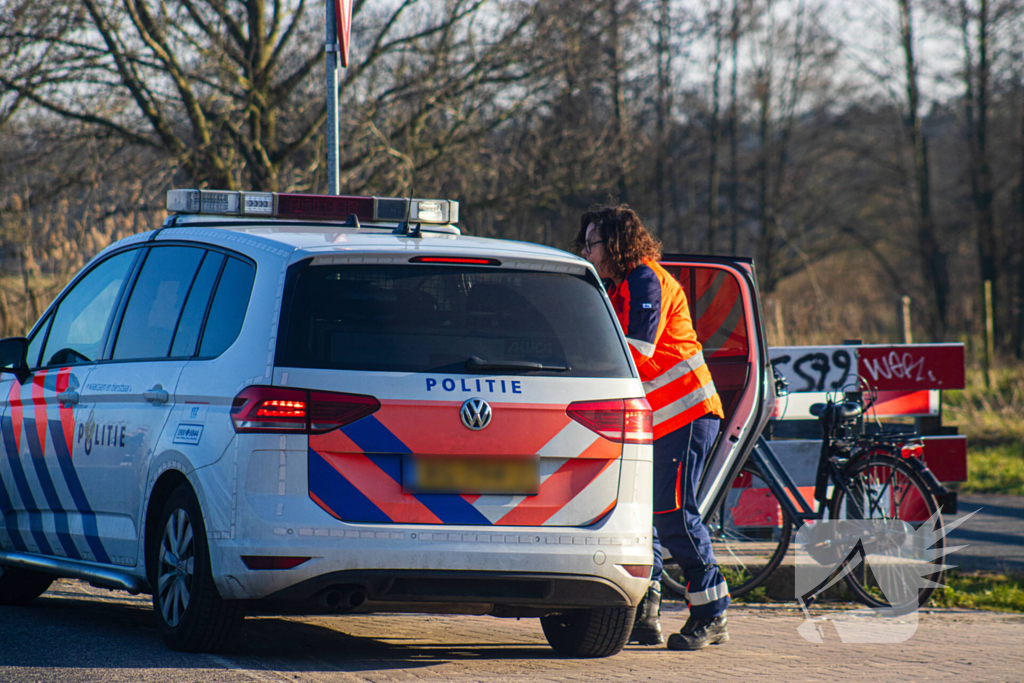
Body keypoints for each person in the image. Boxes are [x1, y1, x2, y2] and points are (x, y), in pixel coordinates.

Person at [575, 205, 730, 651]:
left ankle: (712, 612)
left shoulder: (644, 279)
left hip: (686, 413)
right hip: (657, 419)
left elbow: (638, 348)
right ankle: (646, 614)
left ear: (616, 244)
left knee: (673, 513)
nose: (587, 250)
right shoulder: (617, 285)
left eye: (593, 243)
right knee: (645, 516)